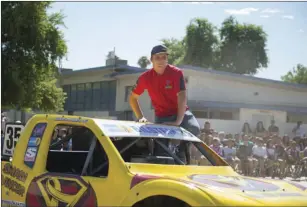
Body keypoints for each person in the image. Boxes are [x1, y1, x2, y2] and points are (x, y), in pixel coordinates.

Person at [129, 45, 200, 164]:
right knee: (161, 152)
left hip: (180, 112)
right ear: (151, 60)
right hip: (162, 116)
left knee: (194, 128)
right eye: (157, 58)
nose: (161, 61)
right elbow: (132, 98)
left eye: (164, 57)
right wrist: (140, 117)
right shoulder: (145, 78)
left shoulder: (176, 73)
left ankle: (180, 149)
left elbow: (182, 96)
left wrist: (178, 121)